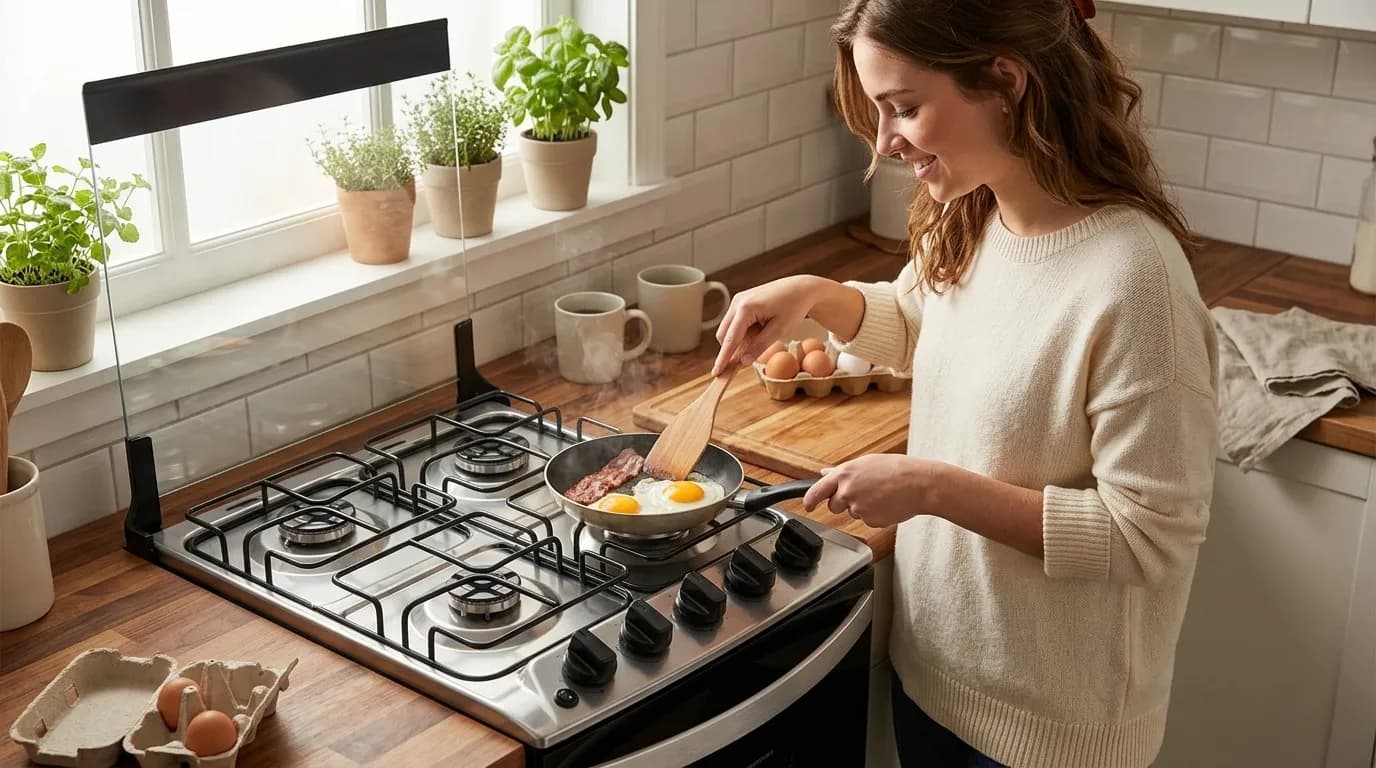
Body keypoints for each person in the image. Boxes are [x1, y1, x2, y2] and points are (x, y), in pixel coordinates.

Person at [711, 0, 1220, 765]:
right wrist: (817, 296)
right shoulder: (978, 216)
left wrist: (931, 490)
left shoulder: (1135, 280)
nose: (886, 144)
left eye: (905, 109)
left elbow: (1148, 536)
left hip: (1052, 734)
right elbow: (924, 323)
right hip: (935, 681)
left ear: (1004, 81)